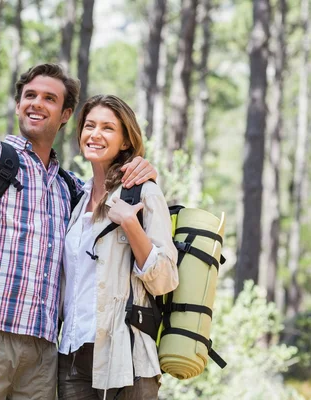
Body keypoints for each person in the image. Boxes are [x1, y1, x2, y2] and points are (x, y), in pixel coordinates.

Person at [0, 27, 158, 400]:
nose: (37, 103)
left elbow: (105, 196)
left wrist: (141, 167)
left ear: (65, 115)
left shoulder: (72, 190)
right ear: (17, 106)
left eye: (49, 98)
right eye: (29, 96)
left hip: (45, 350)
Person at [57, 94, 179, 400]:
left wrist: (132, 225)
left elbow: (165, 280)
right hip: (72, 356)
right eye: (89, 125)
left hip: (125, 358)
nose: (95, 134)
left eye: (108, 128)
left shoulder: (144, 193)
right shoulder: (77, 198)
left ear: (125, 141)